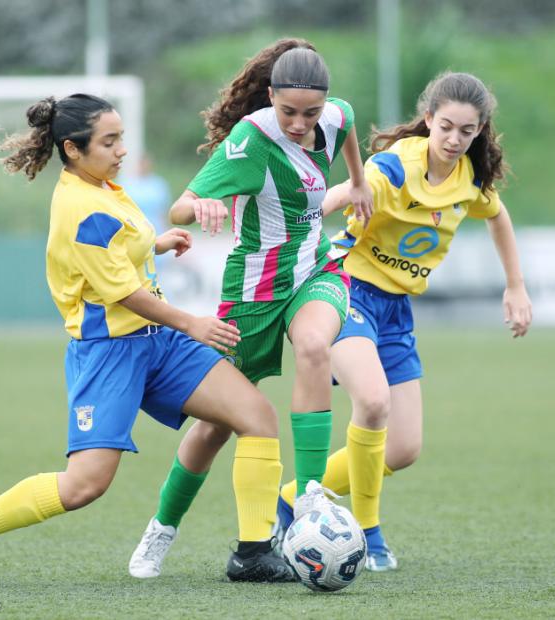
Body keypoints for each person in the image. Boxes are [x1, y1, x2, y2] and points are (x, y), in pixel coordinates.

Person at [0, 93, 294, 587]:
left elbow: (119, 249)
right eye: (109, 141)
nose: (122, 150)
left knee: (257, 417)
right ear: (73, 149)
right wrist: (191, 323)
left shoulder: (101, 185)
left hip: (157, 344)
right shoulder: (80, 208)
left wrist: (156, 244)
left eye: (121, 138)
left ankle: (253, 553)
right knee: (85, 485)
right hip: (109, 354)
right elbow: (122, 294)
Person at [127, 38, 374, 580]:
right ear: (270, 98)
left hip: (315, 269)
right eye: (288, 111)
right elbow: (179, 207)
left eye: (310, 113)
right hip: (254, 290)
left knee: (315, 345)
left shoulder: (336, 116)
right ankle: (163, 526)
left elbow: (349, 126)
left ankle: (310, 495)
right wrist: (203, 204)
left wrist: (357, 182)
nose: (300, 123)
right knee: (216, 425)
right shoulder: (250, 140)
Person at [272, 71, 533, 571]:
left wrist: (515, 285)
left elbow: (497, 216)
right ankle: (369, 532)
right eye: (447, 127)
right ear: (428, 119)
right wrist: (308, 213)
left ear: (480, 131)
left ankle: (291, 498)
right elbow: (346, 190)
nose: (454, 139)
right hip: (345, 290)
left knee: (404, 448)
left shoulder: (469, 179)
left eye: (467, 131)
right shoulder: (394, 167)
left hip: (396, 310)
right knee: (373, 403)